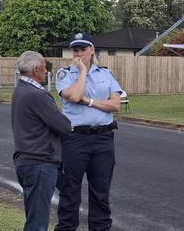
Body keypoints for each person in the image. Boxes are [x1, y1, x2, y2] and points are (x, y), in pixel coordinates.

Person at [55, 33, 122, 231]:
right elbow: (75, 96)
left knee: (101, 191)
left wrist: (89, 101)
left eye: (83, 49)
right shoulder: (65, 74)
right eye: (75, 50)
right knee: (70, 190)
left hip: (103, 139)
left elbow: (116, 105)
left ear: (92, 50)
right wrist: (83, 71)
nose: (79, 53)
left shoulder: (106, 74)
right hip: (75, 139)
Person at [11, 51, 72, 231]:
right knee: (37, 222)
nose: (46, 72)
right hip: (40, 162)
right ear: (36, 70)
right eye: (45, 68)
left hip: (25, 160)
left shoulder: (19, 90)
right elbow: (64, 126)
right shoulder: (37, 95)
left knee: (33, 215)